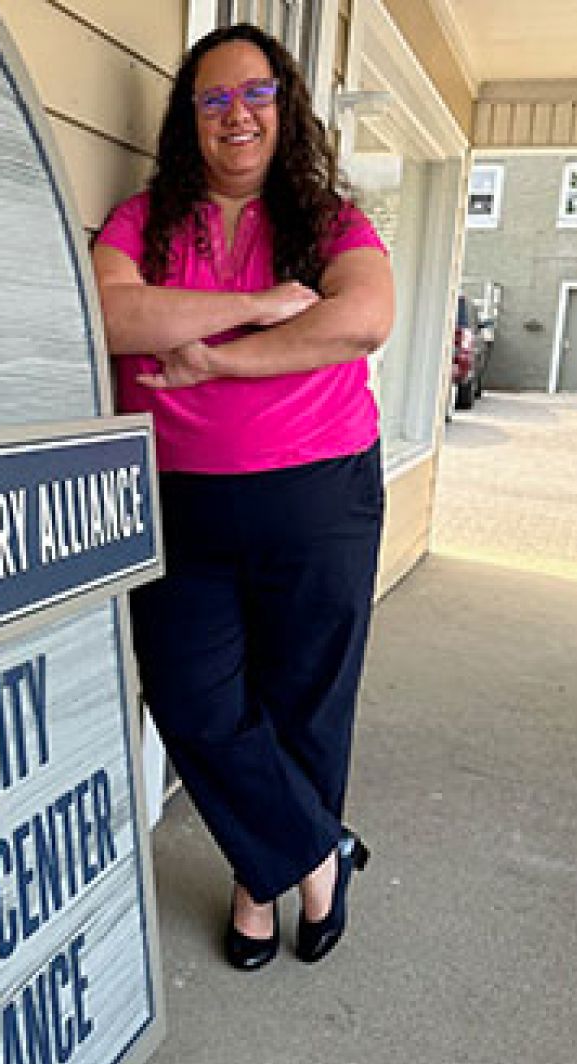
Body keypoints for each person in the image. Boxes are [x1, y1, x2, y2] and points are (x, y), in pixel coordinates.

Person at [92, 23, 394, 970]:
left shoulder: (329, 220)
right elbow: (110, 313)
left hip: (321, 491)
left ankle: (258, 882)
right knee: (190, 696)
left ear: (286, 105)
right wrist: (262, 305)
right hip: (180, 499)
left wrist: (213, 359)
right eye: (214, 99)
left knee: (304, 696)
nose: (237, 115)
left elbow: (361, 321)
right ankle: (316, 852)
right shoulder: (146, 221)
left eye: (255, 94)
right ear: (190, 119)